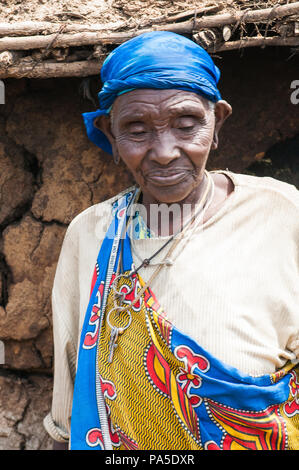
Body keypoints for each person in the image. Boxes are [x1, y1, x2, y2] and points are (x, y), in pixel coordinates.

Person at [44, 31, 299, 451]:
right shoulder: (92, 232)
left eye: (186, 125)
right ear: (110, 134)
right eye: (137, 129)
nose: (164, 152)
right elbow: (71, 402)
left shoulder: (282, 212)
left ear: (218, 123)